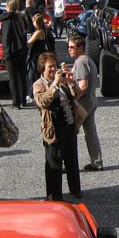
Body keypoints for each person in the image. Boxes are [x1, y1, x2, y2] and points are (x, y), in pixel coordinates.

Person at [33, 52, 85, 201]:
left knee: (71, 160)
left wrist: (71, 82)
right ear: (42, 68)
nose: (53, 69)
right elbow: (42, 102)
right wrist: (54, 84)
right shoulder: (39, 85)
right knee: (54, 162)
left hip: (69, 126)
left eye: (55, 66)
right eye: (50, 66)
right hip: (53, 128)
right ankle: (54, 196)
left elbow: (76, 94)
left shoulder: (62, 81)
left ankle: (75, 190)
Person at [68, 35, 104, 171]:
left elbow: (83, 86)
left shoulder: (81, 62)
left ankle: (69, 164)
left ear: (81, 48)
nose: (69, 50)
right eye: (68, 47)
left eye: (72, 47)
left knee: (70, 132)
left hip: (83, 103)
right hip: (91, 100)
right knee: (90, 133)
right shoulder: (87, 60)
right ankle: (96, 162)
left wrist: (73, 99)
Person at [0, 0, 28, 109]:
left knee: (13, 77)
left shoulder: (5, 20)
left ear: (8, 7)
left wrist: (5, 50)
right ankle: (23, 99)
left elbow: (4, 37)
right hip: (22, 49)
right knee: (22, 76)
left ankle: (16, 102)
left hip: (10, 50)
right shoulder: (20, 18)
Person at [27, 12, 55, 89]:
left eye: (33, 21)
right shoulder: (44, 30)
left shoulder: (38, 32)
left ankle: (35, 90)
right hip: (41, 53)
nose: (32, 23)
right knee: (38, 73)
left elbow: (29, 43)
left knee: (34, 74)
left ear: (36, 22)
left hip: (36, 54)